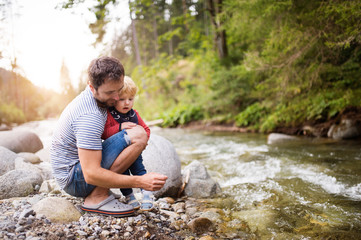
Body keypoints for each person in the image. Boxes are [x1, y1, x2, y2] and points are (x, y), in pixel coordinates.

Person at [50, 56, 167, 217]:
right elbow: (90, 174)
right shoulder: (90, 115)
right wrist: (140, 181)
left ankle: (99, 193)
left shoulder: (99, 100)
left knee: (138, 133)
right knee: (138, 135)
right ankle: (96, 198)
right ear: (92, 88)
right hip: (74, 180)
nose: (117, 98)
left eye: (118, 89)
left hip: (76, 170)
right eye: (110, 92)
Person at [101, 76, 153, 211]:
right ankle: (130, 197)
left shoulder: (134, 114)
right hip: (118, 154)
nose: (127, 103)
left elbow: (146, 129)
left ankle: (147, 193)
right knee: (123, 175)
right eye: (122, 99)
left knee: (139, 170)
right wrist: (120, 127)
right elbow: (104, 133)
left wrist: (143, 141)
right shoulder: (109, 115)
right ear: (114, 100)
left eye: (130, 99)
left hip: (134, 151)